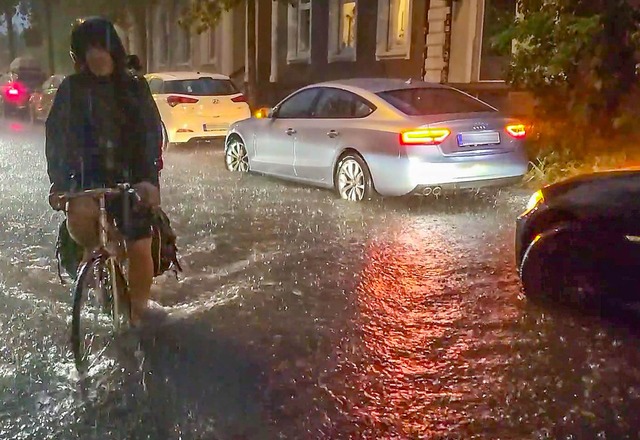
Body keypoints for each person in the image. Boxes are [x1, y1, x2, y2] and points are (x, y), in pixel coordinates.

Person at [45, 17, 164, 326]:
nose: (96, 55)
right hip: (87, 179)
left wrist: (150, 181)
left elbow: (151, 134)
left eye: (101, 46)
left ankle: (136, 312)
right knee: (80, 217)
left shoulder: (135, 87)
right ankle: (95, 263)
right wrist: (59, 183)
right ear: (79, 56)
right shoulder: (71, 90)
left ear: (114, 49)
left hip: (131, 177)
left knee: (139, 245)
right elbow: (57, 138)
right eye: (88, 49)